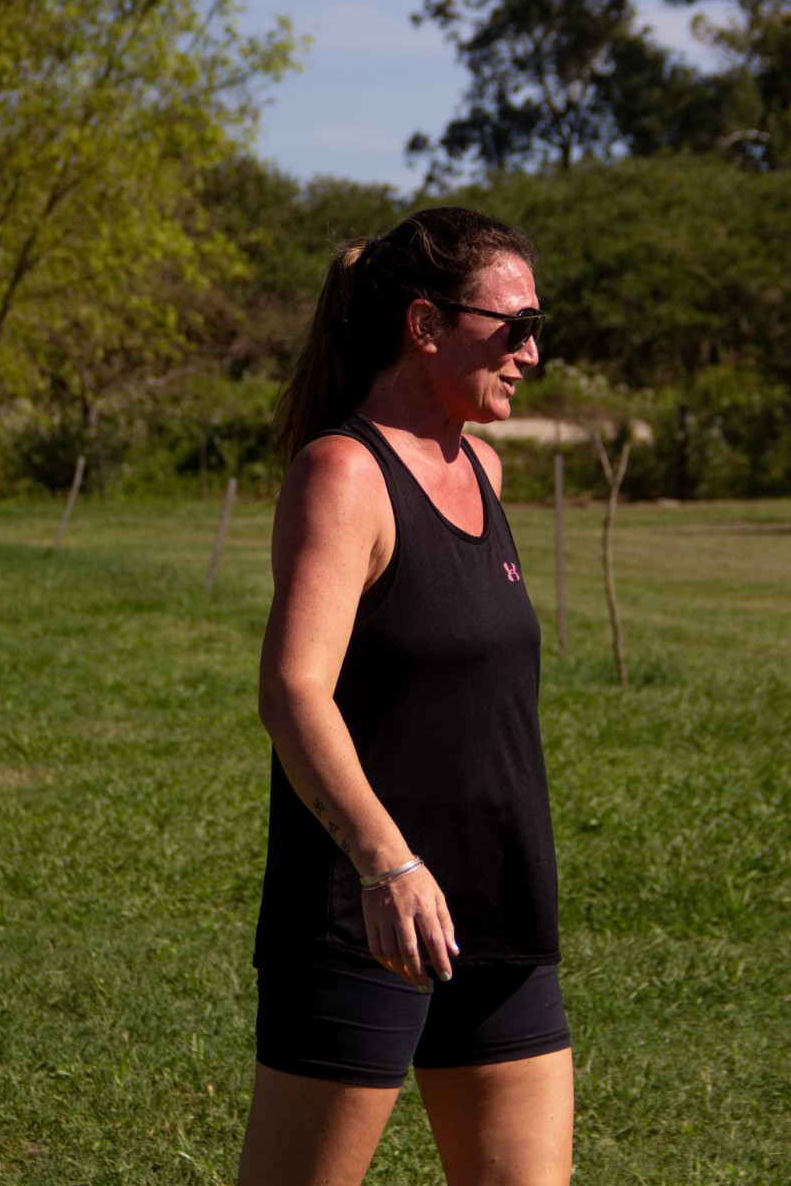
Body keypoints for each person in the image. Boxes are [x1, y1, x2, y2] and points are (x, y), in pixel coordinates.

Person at [239, 207, 571, 1186]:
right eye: (512, 328)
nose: (533, 353)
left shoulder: (485, 466)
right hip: (366, 913)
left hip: (500, 906)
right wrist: (387, 865)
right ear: (426, 326)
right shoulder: (344, 474)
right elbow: (294, 688)